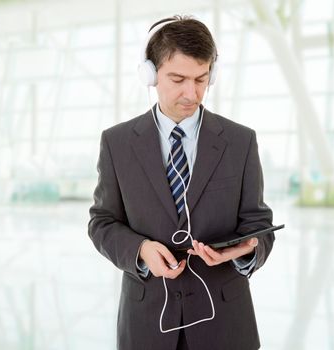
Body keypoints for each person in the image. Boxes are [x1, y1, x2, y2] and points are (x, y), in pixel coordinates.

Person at [88, 15, 274, 350]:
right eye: (178, 79)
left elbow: (259, 224)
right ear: (150, 74)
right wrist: (140, 251)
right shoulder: (116, 143)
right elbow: (102, 223)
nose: (192, 93)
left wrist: (246, 252)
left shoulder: (240, 141)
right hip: (147, 326)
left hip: (225, 328)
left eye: (201, 79)